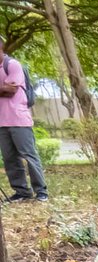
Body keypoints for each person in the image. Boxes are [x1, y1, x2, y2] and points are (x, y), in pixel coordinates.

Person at [0, 36, 48, 202]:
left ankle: (41, 191)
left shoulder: (12, 65)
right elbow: (4, 89)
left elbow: (11, 90)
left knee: (29, 155)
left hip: (18, 119)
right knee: (9, 158)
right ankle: (21, 191)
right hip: (1, 122)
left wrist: (6, 88)